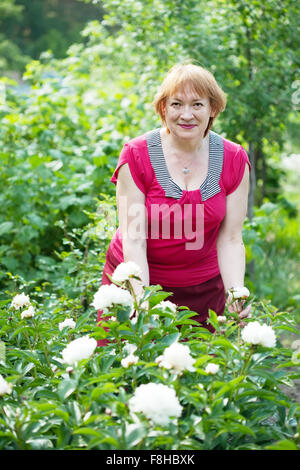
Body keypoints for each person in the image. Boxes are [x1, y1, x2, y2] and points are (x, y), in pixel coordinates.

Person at [97, 63, 251, 344]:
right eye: (176, 104)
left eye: (198, 104)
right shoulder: (137, 155)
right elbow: (134, 240)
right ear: (163, 108)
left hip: (203, 287)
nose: (187, 114)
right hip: (138, 278)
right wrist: (143, 302)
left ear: (213, 108)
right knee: (126, 370)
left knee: (203, 374)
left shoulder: (234, 159)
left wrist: (235, 292)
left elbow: (230, 239)